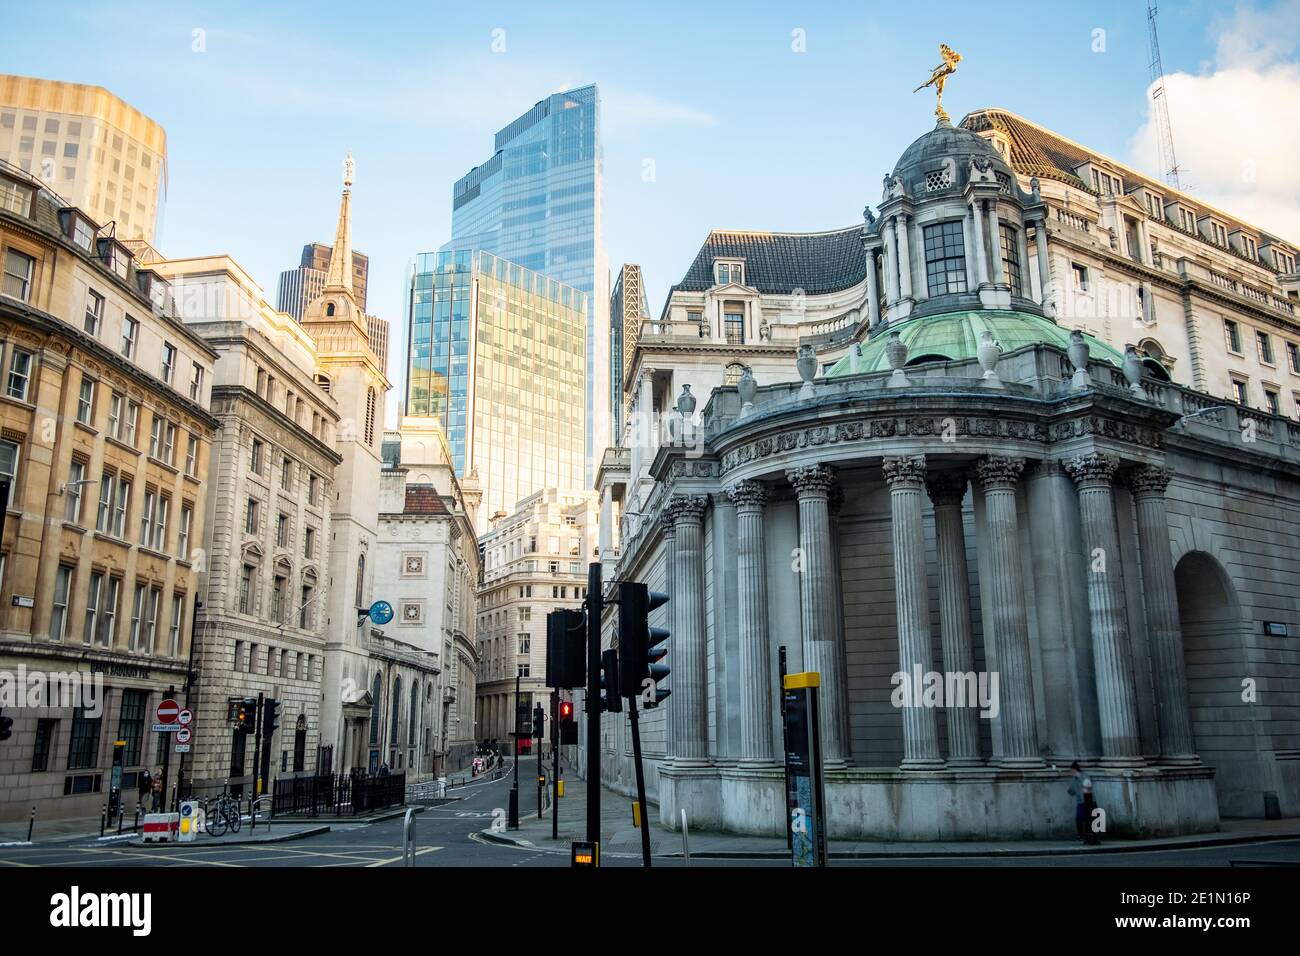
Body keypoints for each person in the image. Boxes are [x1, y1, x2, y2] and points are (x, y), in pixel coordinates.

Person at [1068, 761, 1099, 845]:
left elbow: (1088, 786)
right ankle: (1083, 835)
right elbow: (1071, 791)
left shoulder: (1085, 776)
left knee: (1090, 820)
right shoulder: (1074, 780)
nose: (1071, 773)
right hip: (1081, 802)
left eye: (1072, 771)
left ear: (1075, 770)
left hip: (1089, 802)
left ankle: (1091, 837)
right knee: (1079, 820)